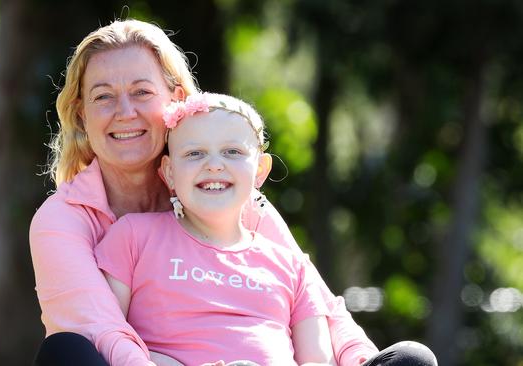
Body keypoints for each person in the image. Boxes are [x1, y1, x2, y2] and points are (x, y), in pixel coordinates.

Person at [29, 18, 437, 366]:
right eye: (104, 97)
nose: (125, 111)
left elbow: (318, 305)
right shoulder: (65, 219)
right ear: (82, 113)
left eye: (141, 92)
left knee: (410, 360)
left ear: (175, 100)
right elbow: (100, 330)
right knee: (66, 353)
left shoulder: (231, 198)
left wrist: (362, 360)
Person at [94, 92, 336, 366]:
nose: (214, 165)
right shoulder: (134, 238)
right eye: (195, 153)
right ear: (170, 172)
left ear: (260, 169)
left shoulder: (292, 267)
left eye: (232, 152)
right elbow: (107, 335)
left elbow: (319, 361)